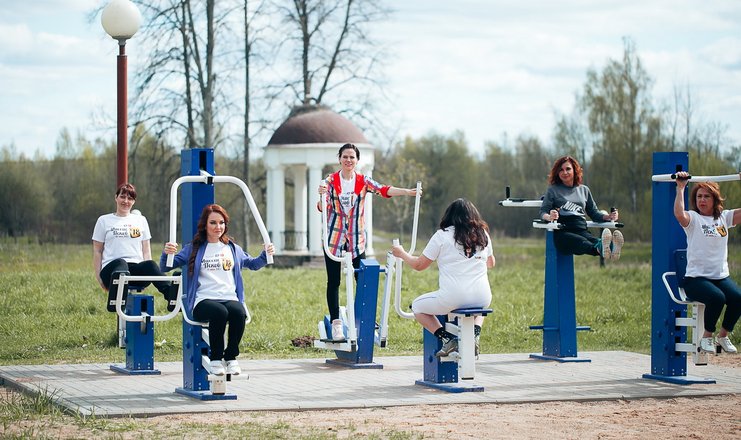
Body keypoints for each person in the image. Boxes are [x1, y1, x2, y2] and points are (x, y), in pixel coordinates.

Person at [317, 143, 420, 341]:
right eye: (345, 157)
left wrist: (407, 192)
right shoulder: (330, 181)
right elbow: (323, 206)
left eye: (352, 157)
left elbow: (383, 189)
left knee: (362, 280)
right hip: (335, 238)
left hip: (356, 239)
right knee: (334, 281)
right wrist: (321, 195)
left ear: (357, 161)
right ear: (339, 159)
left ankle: (363, 320)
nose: (348, 160)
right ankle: (337, 323)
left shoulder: (363, 181)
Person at [161, 204, 275, 376]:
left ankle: (231, 358)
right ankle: (215, 359)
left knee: (238, 312)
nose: (218, 227)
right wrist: (166, 253)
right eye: (213, 223)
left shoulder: (232, 248)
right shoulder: (194, 248)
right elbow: (166, 267)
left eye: (221, 223)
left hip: (229, 297)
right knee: (219, 312)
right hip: (203, 300)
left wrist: (265, 255)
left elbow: (252, 264)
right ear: (205, 225)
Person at [391, 198, 495, 357]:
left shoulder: (442, 235)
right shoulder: (483, 234)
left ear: (449, 216)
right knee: (478, 309)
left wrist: (402, 254)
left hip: (453, 297)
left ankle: (448, 339)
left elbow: (419, 265)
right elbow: (491, 263)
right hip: (483, 296)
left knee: (417, 307)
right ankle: (474, 334)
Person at [673, 171, 741, 354]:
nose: (702, 200)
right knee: (717, 298)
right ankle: (706, 338)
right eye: (699, 196)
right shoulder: (694, 219)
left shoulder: (724, 218)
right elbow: (679, 214)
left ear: (715, 199)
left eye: (706, 196)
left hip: (720, 277)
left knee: (737, 298)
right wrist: (681, 188)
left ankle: (723, 336)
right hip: (696, 279)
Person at [92, 183, 176, 312]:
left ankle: (171, 296)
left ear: (134, 202)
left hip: (135, 268)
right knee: (121, 263)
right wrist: (99, 278)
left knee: (151, 265)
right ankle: (117, 299)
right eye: (122, 197)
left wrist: (148, 273)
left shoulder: (140, 220)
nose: (126, 201)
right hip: (112, 269)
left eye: (130, 198)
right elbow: (97, 251)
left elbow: (146, 250)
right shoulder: (104, 220)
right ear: (116, 198)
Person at [539, 155, 624, 260]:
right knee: (582, 242)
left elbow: (594, 213)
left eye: (568, 169)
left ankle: (611, 247)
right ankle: (607, 247)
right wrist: (550, 217)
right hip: (563, 232)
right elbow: (543, 212)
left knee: (593, 240)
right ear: (557, 173)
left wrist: (609, 217)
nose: (565, 172)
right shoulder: (553, 190)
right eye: (561, 170)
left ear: (575, 170)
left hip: (581, 229)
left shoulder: (584, 190)